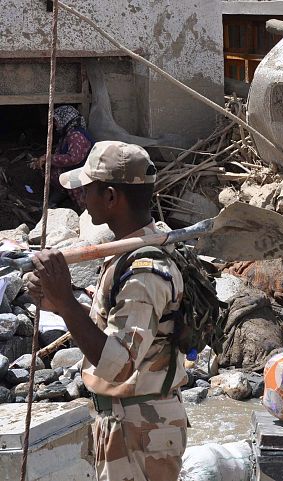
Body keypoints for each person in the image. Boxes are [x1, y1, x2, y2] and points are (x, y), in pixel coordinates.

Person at [25, 141, 188, 481]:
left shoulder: (145, 270)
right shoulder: (128, 254)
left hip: (141, 428)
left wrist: (67, 305)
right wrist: (56, 300)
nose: (82, 197)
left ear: (112, 197)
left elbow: (118, 363)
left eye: (88, 190)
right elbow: (112, 329)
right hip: (126, 422)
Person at [32, 105, 94, 209]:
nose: (55, 125)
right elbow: (60, 155)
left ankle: (86, 210)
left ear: (65, 119)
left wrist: (49, 159)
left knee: (71, 180)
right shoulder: (68, 135)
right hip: (77, 172)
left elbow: (74, 158)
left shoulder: (76, 135)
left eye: (56, 121)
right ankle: (55, 200)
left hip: (85, 175)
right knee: (53, 171)